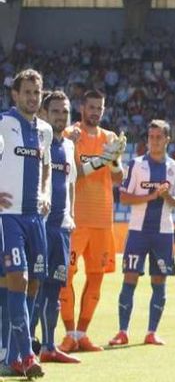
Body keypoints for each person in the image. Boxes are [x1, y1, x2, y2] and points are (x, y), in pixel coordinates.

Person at [108, 120, 175, 347]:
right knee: (129, 278)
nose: (154, 141)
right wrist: (152, 197)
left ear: (167, 140)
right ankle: (122, 331)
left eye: (158, 137)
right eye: (151, 137)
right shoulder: (136, 165)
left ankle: (151, 332)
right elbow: (123, 197)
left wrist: (166, 197)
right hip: (137, 231)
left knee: (159, 281)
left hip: (163, 232)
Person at [59, 90, 126, 353]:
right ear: (82, 108)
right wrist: (103, 159)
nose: (95, 111)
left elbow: (119, 178)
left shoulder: (109, 137)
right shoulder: (70, 135)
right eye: (91, 107)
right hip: (75, 219)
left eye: (100, 107)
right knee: (66, 277)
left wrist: (115, 160)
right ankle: (67, 334)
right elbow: (76, 173)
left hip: (102, 220)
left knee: (96, 277)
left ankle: (82, 334)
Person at [0, 69, 53, 378]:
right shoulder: (4, 124)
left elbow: (46, 168)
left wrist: (45, 193)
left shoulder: (44, 131)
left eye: (37, 93)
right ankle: (25, 354)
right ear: (15, 95)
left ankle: (17, 353)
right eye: (27, 92)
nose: (33, 98)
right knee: (18, 279)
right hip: (10, 218)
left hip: (36, 218)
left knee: (35, 283)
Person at [33, 91, 80, 364]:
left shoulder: (70, 147)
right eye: (56, 112)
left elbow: (71, 183)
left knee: (54, 290)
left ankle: (50, 345)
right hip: (39, 226)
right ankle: (29, 346)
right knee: (33, 289)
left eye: (65, 112)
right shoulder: (38, 144)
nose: (61, 116)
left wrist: (71, 215)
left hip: (61, 228)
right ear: (44, 114)